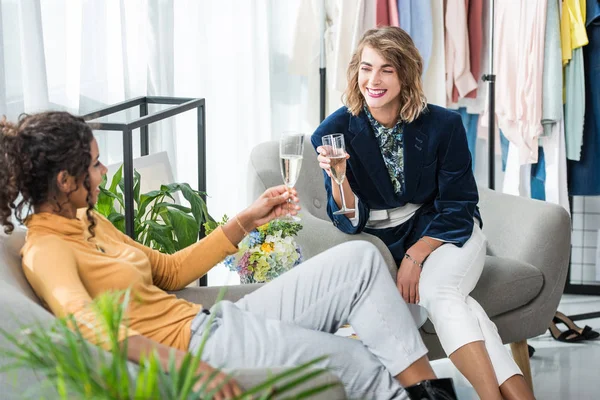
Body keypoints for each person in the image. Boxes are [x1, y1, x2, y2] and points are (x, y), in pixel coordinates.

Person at [0, 111, 460, 400]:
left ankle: (423, 389)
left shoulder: (88, 221)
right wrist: (193, 369)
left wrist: (247, 219)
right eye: (95, 164)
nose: (103, 172)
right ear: (64, 179)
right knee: (359, 364)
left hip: (216, 320)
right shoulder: (46, 250)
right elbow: (93, 330)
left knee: (359, 261)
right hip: (199, 345)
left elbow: (168, 269)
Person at [312, 27, 535, 400]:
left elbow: (460, 205)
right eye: (366, 68)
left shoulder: (443, 125)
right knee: (462, 307)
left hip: (445, 231)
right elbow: (349, 220)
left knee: (438, 290)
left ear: (405, 73)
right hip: (385, 242)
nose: (373, 80)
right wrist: (339, 179)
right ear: (355, 73)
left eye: (386, 69)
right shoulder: (333, 131)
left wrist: (416, 256)